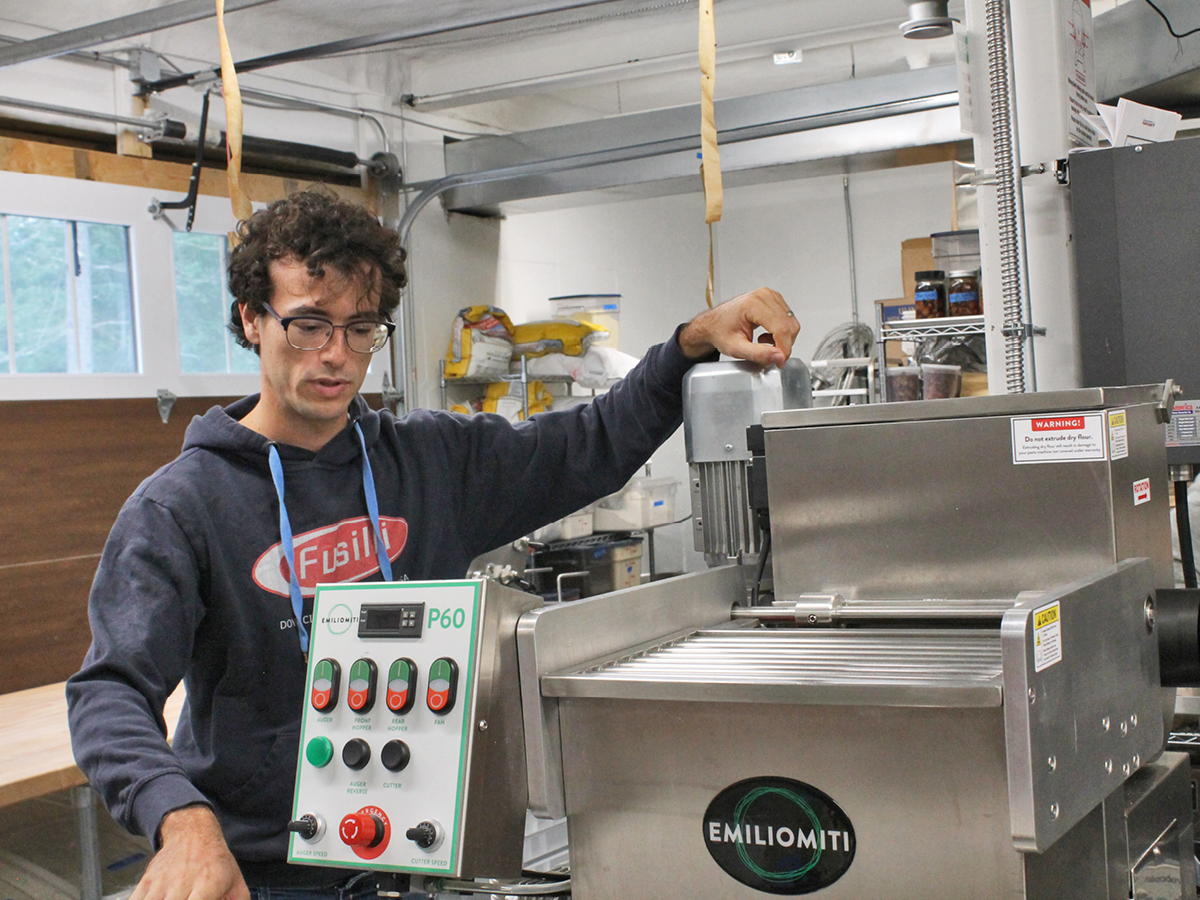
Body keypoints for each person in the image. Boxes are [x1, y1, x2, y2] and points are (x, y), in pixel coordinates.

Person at [66, 188, 799, 900]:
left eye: (361, 328)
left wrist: (691, 343)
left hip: (417, 866)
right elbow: (110, 691)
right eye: (308, 324)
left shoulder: (432, 464)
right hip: (266, 876)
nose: (337, 355)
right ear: (252, 320)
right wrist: (180, 819)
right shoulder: (181, 506)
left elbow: (591, 443)